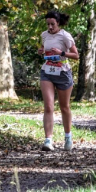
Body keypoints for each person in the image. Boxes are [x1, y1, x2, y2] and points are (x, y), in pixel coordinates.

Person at [37, 10, 79, 151]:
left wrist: (61, 53)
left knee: (64, 107)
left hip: (62, 73)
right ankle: (48, 140)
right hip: (47, 71)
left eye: (52, 24)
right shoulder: (44, 35)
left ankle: (68, 137)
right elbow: (45, 48)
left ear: (58, 23)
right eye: (48, 24)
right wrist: (42, 51)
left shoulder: (65, 36)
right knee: (48, 106)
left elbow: (76, 55)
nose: (50, 27)